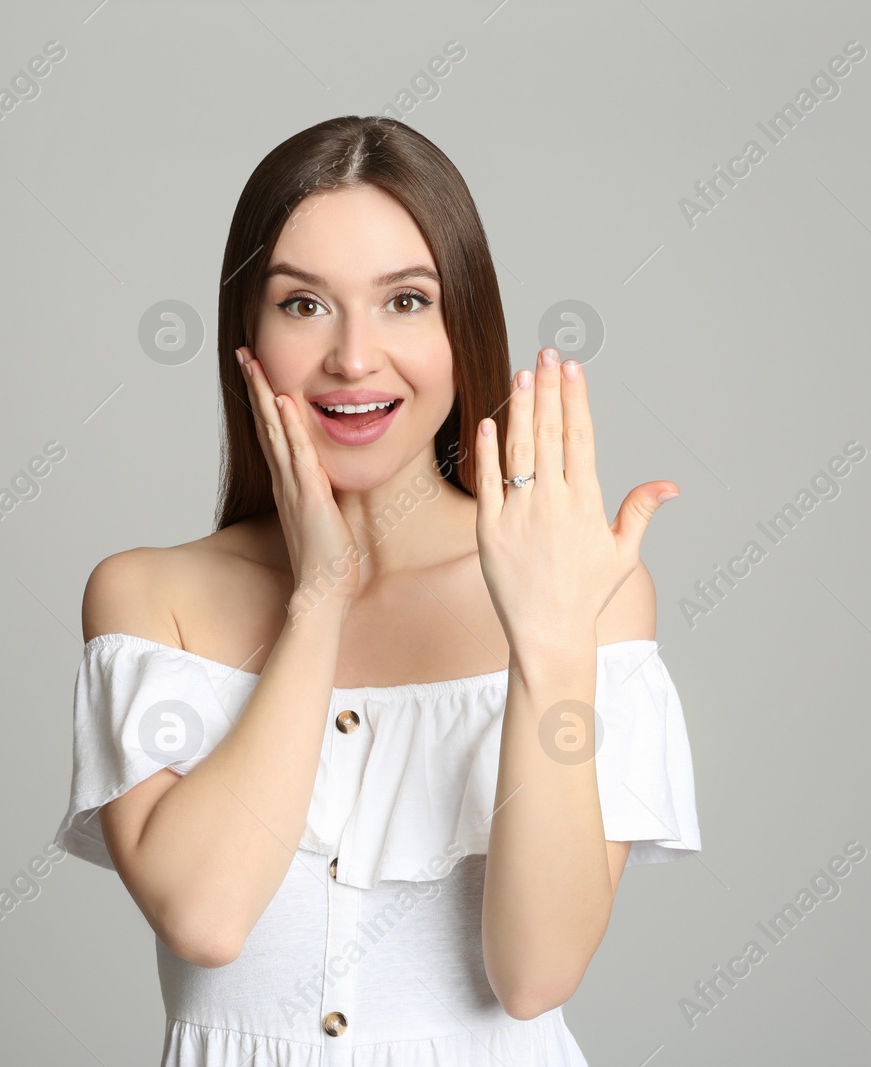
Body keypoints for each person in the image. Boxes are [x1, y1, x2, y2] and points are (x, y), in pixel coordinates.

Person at [55, 115, 702, 1066]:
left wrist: (551, 642)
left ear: (463, 327)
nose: (354, 359)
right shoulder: (153, 598)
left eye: (406, 301)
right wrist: (319, 594)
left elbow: (535, 973)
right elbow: (205, 914)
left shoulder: (583, 592)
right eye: (304, 305)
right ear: (248, 335)